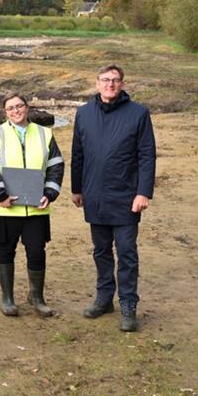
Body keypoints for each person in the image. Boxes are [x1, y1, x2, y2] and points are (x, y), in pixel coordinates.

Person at [71, 65, 156, 332]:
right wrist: (76, 188)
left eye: (115, 80)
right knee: (101, 250)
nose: (110, 84)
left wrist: (143, 192)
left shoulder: (138, 113)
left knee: (127, 252)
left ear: (122, 84)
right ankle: (104, 298)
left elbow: (146, 155)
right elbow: (78, 153)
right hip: (94, 194)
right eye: (106, 80)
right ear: (97, 83)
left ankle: (128, 304)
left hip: (126, 196)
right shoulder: (84, 113)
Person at [0, 93, 64, 318]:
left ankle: (36, 296)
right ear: (5, 112)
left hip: (37, 206)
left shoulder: (45, 134)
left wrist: (50, 192)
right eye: (10, 108)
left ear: (27, 107)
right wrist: (0, 194)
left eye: (19, 106)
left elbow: (56, 165)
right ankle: (7, 298)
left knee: (36, 250)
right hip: (6, 206)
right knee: (6, 250)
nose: (15, 111)